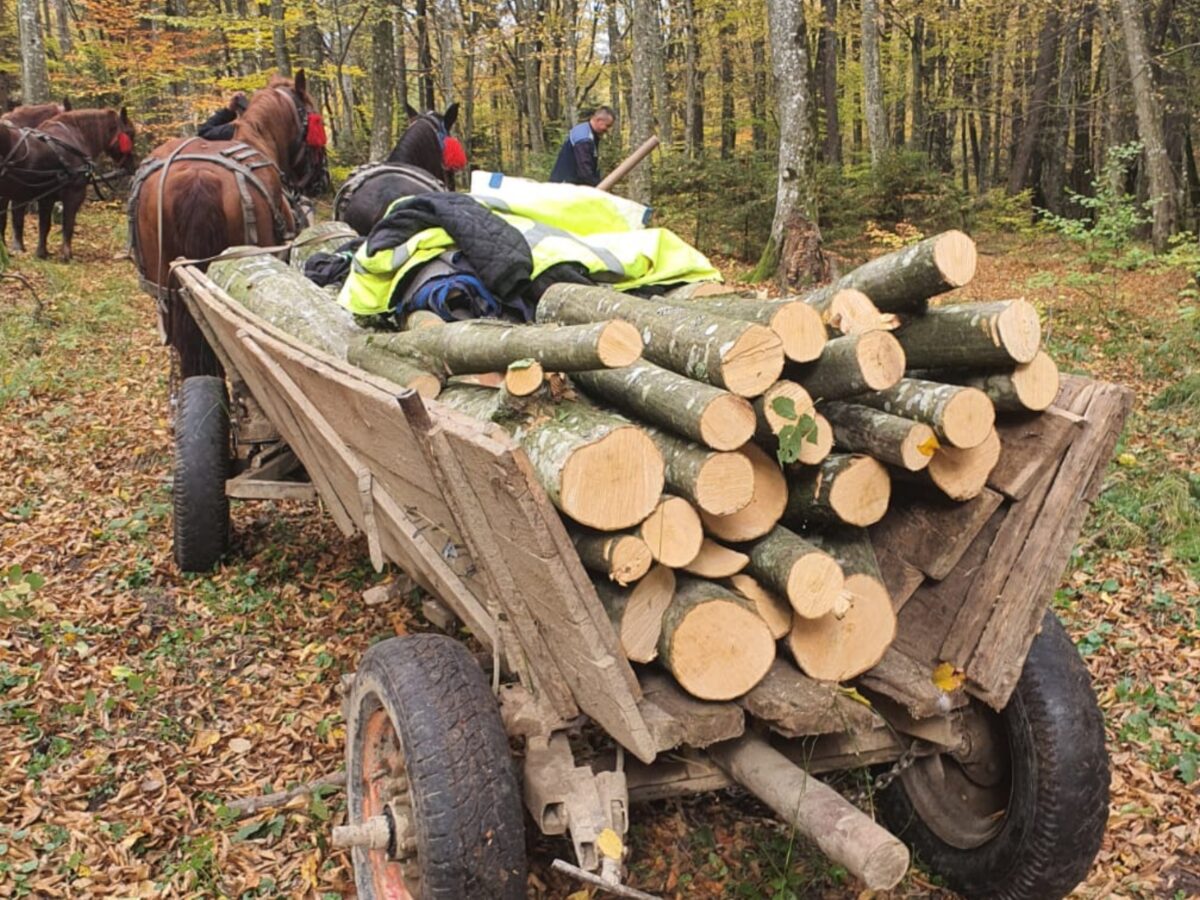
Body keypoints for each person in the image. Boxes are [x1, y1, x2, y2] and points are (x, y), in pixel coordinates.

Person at [549, 106, 615, 187]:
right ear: (599, 120)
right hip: (566, 187)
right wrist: (598, 185)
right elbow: (585, 171)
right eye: (607, 126)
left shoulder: (588, 132)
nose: (607, 130)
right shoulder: (584, 138)